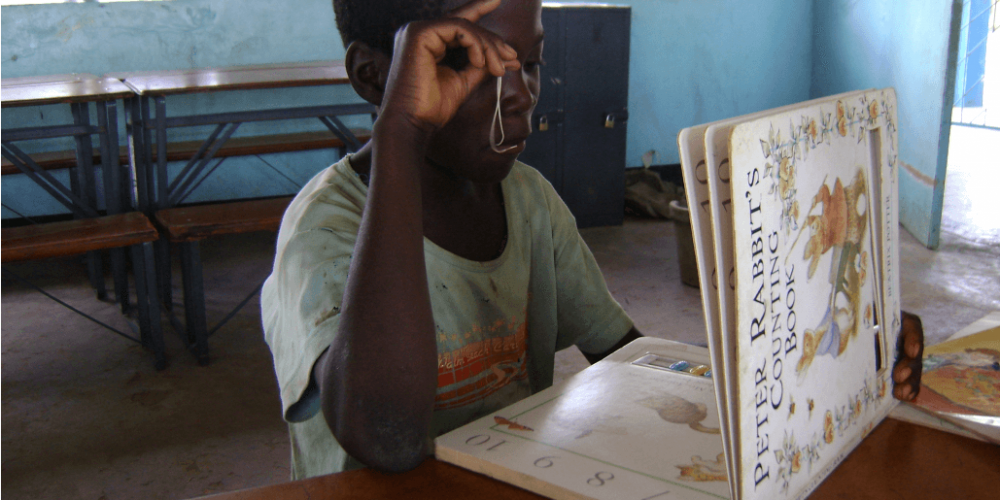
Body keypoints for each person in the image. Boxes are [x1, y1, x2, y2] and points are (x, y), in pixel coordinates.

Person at [260, 0, 924, 479]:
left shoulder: (529, 201)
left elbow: (629, 358)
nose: (520, 96)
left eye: (531, 64)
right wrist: (400, 134)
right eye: (466, 65)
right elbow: (388, 437)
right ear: (378, 79)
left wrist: (828, 362)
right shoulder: (323, 231)